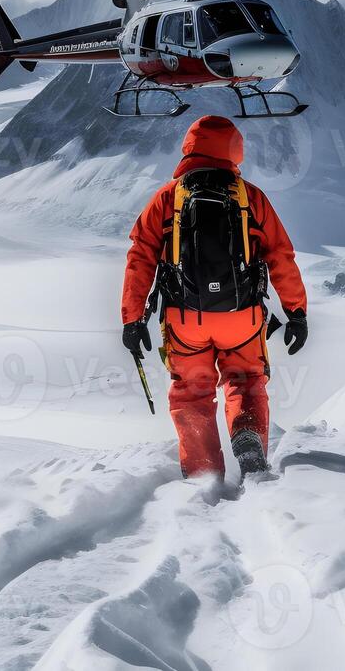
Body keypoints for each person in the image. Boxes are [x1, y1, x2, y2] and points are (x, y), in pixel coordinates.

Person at [121, 115, 308, 479]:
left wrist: (132, 318)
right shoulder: (250, 197)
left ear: (189, 148)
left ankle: (203, 478)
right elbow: (280, 255)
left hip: (185, 320)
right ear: (234, 150)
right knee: (246, 381)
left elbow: (140, 255)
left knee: (192, 393)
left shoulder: (168, 198)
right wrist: (296, 312)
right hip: (243, 318)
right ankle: (248, 435)